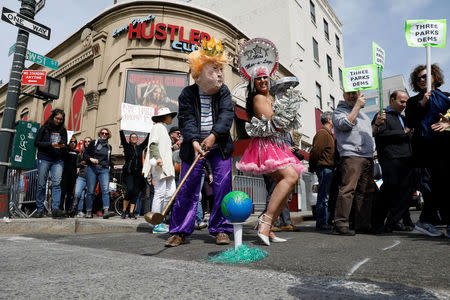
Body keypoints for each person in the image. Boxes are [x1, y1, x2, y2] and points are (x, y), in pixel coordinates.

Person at [236, 38, 306, 246]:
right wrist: (285, 112)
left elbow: (283, 123)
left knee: (288, 182)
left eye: (265, 78)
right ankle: (266, 222)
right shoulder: (258, 99)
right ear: (253, 83)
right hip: (267, 146)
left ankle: (269, 225)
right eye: (259, 80)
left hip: (279, 146)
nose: (263, 81)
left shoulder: (272, 99)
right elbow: (275, 124)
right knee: (290, 176)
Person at [165, 37, 234, 247]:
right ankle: (179, 231)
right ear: (200, 73)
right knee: (187, 186)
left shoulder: (224, 92)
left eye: (220, 69)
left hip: (219, 145)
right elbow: (186, 119)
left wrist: (212, 137)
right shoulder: (187, 93)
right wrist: (194, 141)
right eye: (214, 69)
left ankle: (221, 228)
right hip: (193, 147)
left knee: (222, 185)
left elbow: (226, 116)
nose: (220, 73)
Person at [405, 64, 450, 238]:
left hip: (445, 146)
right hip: (426, 150)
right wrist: (422, 104)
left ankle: (437, 221)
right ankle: (425, 221)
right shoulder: (413, 101)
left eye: (426, 76)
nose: (422, 80)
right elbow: (409, 123)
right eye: (419, 78)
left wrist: (448, 122)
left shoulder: (446, 97)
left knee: (444, 185)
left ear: (434, 76)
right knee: (435, 186)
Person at [332, 90, 375, 236]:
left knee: (366, 191)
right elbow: (345, 124)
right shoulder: (339, 111)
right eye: (348, 93)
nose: (352, 96)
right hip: (352, 155)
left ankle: (363, 223)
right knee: (348, 189)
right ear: (343, 95)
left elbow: (367, 133)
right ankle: (341, 223)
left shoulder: (363, 115)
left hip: (367, 156)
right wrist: (357, 106)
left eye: (355, 94)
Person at [373, 90, 415, 232]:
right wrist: (403, 132)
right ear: (392, 100)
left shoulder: (402, 117)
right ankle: (378, 222)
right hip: (392, 159)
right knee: (389, 191)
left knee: (406, 192)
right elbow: (380, 134)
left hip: (407, 159)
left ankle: (394, 222)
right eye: (401, 101)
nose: (404, 104)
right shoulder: (382, 115)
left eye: (406, 102)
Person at [33, 109, 68, 218]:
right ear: (52, 117)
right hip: (44, 158)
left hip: (58, 160)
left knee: (57, 184)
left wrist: (62, 145)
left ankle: (55, 209)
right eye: (57, 118)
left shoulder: (63, 130)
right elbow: (36, 143)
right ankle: (39, 209)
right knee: (41, 184)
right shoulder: (44, 128)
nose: (59, 121)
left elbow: (65, 144)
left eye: (61, 119)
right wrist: (50, 144)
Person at [147, 107, 177, 233]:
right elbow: (153, 144)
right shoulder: (157, 127)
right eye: (170, 116)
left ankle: (160, 219)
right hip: (160, 165)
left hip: (167, 167)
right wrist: (157, 157)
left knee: (170, 193)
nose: (171, 118)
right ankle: (155, 223)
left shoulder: (163, 129)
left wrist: (172, 148)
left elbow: (163, 147)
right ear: (164, 117)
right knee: (160, 193)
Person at [309, 111, 335, 231]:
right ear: (329, 120)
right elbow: (316, 151)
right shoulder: (323, 133)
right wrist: (313, 166)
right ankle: (322, 222)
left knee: (326, 196)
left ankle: (325, 221)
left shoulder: (328, 133)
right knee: (323, 197)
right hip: (324, 168)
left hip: (327, 168)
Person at [83, 128, 116, 219]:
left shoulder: (109, 147)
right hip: (92, 168)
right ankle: (89, 211)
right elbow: (85, 155)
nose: (104, 135)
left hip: (104, 169)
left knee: (105, 190)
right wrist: (91, 159)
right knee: (90, 191)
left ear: (108, 135)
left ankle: (106, 211)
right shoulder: (94, 143)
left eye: (106, 133)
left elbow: (108, 160)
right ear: (99, 133)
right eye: (102, 133)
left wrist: (112, 167)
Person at [119, 129, 149, 219]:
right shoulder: (126, 146)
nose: (134, 138)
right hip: (129, 173)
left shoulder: (140, 147)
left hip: (138, 174)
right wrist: (120, 128)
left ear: (137, 139)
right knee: (130, 189)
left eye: (135, 137)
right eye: (132, 137)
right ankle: (124, 210)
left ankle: (131, 212)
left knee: (136, 192)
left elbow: (147, 140)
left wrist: (151, 128)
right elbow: (122, 137)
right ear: (130, 139)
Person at [69, 137, 92, 217]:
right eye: (85, 141)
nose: (87, 143)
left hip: (91, 176)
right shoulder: (80, 154)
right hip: (81, 176)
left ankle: (87, 211)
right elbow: (77, 165)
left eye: (89, 141)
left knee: (89, 194)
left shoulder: (94, 153)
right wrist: (81, 164)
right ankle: (75, 211)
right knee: (78, 193)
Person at [60, 136, 79, 214]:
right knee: (63, 192)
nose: (73, 143)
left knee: (70, 193)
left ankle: (67, 210)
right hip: (65, 173)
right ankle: (60, 208)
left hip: (73, 175)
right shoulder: (66, 149)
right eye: (71, 141)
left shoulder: (78, 152)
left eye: (74, 142)